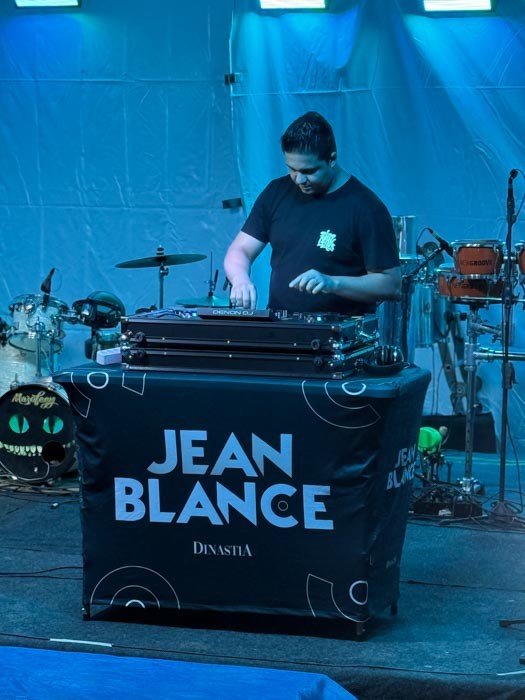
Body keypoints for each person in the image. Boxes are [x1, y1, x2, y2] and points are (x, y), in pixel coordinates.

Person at [224, 111, 401, 315]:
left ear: (331, 159)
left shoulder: (366, 208)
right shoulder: (276, 192)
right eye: (292, 169)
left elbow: (391, 285)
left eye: (309, 171)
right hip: (281, 325)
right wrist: (240, 279)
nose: (299, 180)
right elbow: (241, 250)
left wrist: (332, 283)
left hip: (338, 330)